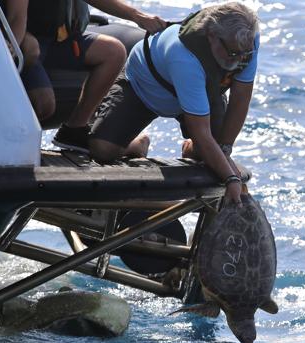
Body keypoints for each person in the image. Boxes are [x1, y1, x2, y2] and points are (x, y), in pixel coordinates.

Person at [87, 2, 260, 206]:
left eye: (245, 54)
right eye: (233, 54)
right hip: (145, 89)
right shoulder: (184, 56)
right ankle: (137, 144)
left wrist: (225, 150)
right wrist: (230, 178)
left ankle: (191, 149)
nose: (239, 60)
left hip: (203, 92)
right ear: (211, 36)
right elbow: (201, 132)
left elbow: (241, 97)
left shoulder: (245, 39)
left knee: (211, 154)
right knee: (101, 150)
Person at [17, 0, 166, 153]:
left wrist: (138, 16)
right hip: (28, 40)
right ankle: (17, 147)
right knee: (43, 105)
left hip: (59, 38)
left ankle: (74, 129)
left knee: (114, 52)